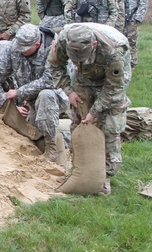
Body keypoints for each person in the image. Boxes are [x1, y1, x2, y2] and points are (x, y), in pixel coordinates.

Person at [48, 22, 132, 195]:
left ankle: (103, 177)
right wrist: (69, 91)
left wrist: (95, 111)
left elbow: (114, 87)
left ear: (93, 45)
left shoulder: (114, 50)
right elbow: (55, 66)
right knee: (78, 122)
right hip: (82, 77)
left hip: (111, 82)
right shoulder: (64, 40)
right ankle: (79, 171)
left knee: (109, 126)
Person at [0, 23, 67, 161]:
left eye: (24, 49)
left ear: (37, 45)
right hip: (31, 102)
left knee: (46, 95)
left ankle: (52, 149)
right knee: (34, 133)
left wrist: (19, 92)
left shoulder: (54, 49)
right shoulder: (14, 48)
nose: (20, 51)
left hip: (55, 97)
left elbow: (50, 80)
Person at [122, 0, 149, 67]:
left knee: (131, 42)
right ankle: (122, 62)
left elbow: (144, 4)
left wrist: (137, 18)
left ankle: (132, 63)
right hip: (121, 20)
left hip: (132, 20)